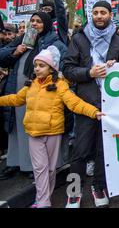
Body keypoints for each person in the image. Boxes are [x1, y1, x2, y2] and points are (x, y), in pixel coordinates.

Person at [0, 46, 104, 208]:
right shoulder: (30, 85)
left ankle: (44, 198)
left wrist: (94, 112)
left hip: (53, 133)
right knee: (40, 168)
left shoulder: (60, 85)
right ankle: (43, 201)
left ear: (51, 68)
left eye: (41, 66)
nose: (37, 69)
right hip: (34, 134)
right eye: (36, 65)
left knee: (49, 170)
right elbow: (15, 99)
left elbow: (75, 103)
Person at [63, 1, 119, 208]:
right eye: (95, 13)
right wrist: (88, 73)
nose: (99, 16)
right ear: (91, 15)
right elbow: (66, 68)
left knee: (103, 150)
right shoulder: (79, 38)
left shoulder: (118, 41)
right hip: (86, 104)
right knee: (80, 150)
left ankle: (98, 186)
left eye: (103, 12)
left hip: (110, 105)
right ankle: (73, 192)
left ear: (110, 15)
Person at [0, 12, 66, 181]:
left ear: (46, 23)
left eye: (38, 21)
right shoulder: (23, 40)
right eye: (32, 21)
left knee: (36, 129)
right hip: (18, 90)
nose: (35, 24)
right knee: (17, 128)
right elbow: (2, 56)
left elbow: (63, 63)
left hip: (42, 94)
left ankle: (33, 165)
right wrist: (15, 51)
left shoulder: (53, 42)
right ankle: (15, 162)